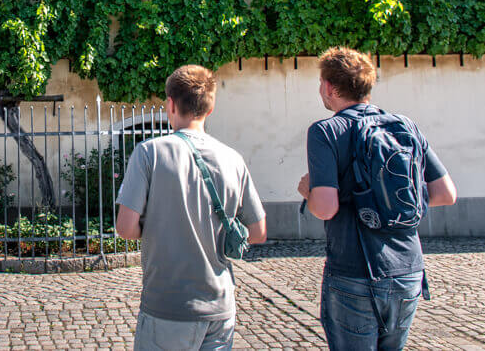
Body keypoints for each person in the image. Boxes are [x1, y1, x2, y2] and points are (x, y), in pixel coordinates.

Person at [297, 47, 458, 351]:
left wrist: (308, 191)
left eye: (321, 83)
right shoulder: (405, 126)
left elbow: (326, 208)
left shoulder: (326, 131)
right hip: (409, 270)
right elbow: (445, 194)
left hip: (355, 270)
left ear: (330, 87)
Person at [116, 64, 267, 351]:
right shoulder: (233, 158)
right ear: (210, 109)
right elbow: (258, 232)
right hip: (220, 305)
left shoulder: (149, 153)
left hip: (167, 303)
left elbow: (125, 227)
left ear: (170, 104)